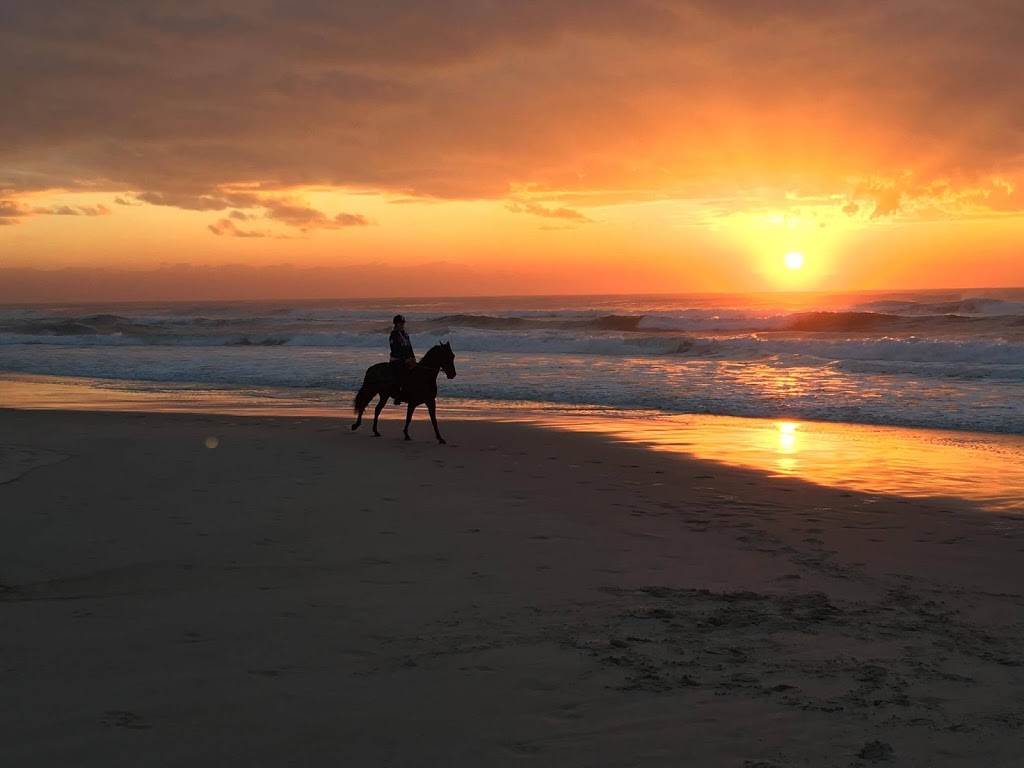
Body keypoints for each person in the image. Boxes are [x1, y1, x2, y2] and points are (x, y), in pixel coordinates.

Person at [388, 314, 416, 405]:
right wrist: (404, 360)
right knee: (401, 374)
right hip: (396, 360)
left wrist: (413, 357)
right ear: (396, 324)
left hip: (407, 359)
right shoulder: (394, 335)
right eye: (400, 323)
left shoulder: (405, 334)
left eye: (403, 323)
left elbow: (409, 347)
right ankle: (398, 396)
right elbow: (395, 349)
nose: (402, 325)